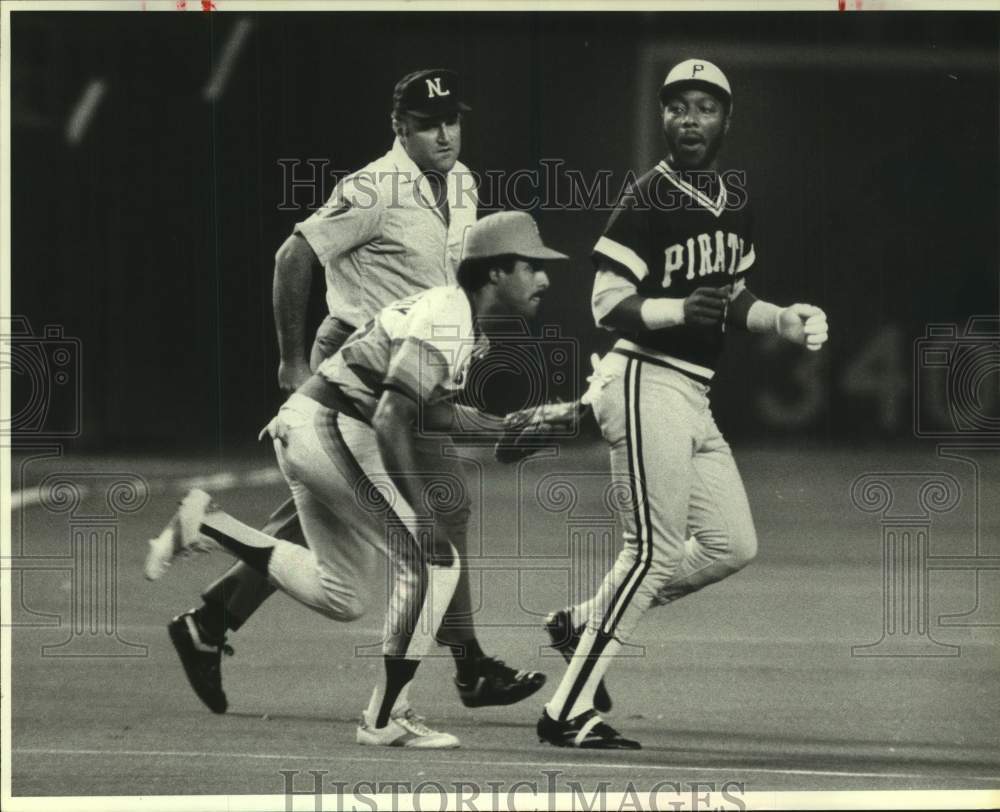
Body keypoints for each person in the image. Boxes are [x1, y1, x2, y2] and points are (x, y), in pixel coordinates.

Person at [164, 69, 544, 716]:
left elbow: (447, 279)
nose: (445, 133)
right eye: (428, 122)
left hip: (409, 359)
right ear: (400, 127)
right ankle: (470, 667)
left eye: (452, 118)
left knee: (324, 517)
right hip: (359, 363)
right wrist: (290, 359)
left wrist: (464, 329)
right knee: (439, 507)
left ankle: (209, 621)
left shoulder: (464, 182)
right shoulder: (375, 187)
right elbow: (293, 257)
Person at [147, 211, 571, 748]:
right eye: (532, 267)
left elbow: (428, 414)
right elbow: (394, 417)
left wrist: (504, 425)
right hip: (329, 429)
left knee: (342, 595)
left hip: (317, 429)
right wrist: (421, 512)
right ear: (493, 272)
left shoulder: (458, 317)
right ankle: (383, 718)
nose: (545, 279)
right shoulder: (448, 316)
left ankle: (209, 524)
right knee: (432, 560)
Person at [538, 59, 829, 749]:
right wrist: (673, 308)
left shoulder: (736, 199)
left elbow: (733, 297)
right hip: (642, 377)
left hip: (691, 392)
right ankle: (565, 712)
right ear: (663, 118)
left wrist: (781, 318)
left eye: (704, 106)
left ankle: (581, 624)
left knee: (732, 543)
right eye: (677, 107)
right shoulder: (649, 197)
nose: (689, 119)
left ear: (727, 120)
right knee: (652, 553)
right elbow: (606, 304)